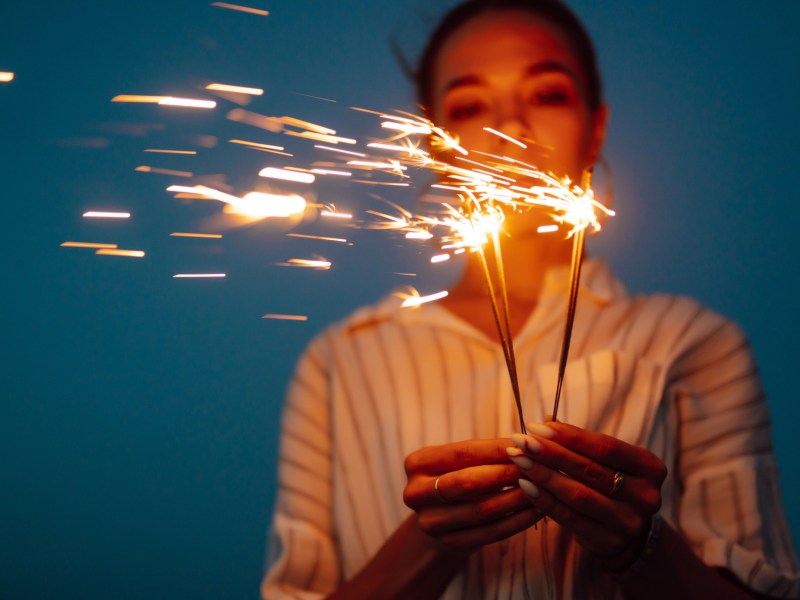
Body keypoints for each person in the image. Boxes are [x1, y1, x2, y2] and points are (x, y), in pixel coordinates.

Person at [260, 1, 799, 598]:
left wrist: (639, 545)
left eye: (546, 95)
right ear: (433, 147)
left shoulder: (693, 343)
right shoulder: (339, 362)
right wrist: (431, 541)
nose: (509, 129)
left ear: (595, 130)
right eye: (469, 107)